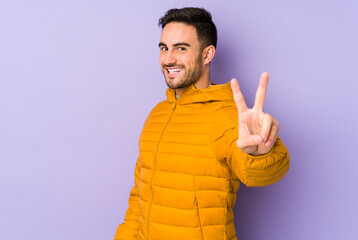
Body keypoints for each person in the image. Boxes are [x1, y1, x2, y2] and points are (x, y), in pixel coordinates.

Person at [114, 7, 289, 240]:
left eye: (181, 48)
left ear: (207, 55)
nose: (168, 59)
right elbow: (140, 195)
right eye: (164, 48)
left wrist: (260, 152)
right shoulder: (156, 115)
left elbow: (260, 173)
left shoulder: (225, 115)